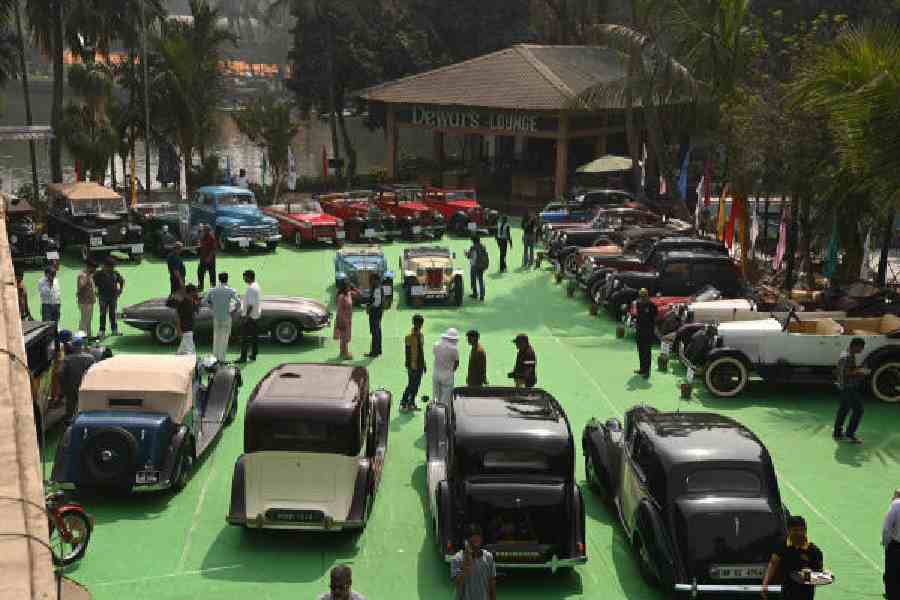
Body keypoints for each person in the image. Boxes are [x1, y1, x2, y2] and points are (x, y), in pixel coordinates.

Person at [762, 515, 824, 600]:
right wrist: (765, 584)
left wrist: (810, 574)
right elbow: (773, 563)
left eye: (802, 530)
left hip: (806, 594)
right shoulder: (782, 545)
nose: (799, 533)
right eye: (795, 530)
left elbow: (819, 574)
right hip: (786, 591)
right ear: (788, 530)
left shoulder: (814, 551)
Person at [834, 337, 867, 443]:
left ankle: (837, 433)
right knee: (859, 410)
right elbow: (847, 373)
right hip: (848, 387)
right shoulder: (848, 357)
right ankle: (850, 434)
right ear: (855, 346)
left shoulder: (845, 353)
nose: (862, 350)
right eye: (861, 348)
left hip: (842, 386)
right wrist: (860, 372)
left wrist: (857, 369)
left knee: (843, 409)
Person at [450, 524, 497, 600]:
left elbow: (492, 583)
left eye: (478, 536)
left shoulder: (488, 557)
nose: (476, 539)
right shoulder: (457, 558)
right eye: (473, 536)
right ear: (466, 540)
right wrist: (466, 561)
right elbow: (457, 582)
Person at [57, 332, 95, 423]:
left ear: (73, 347)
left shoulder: (67, 359)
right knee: (86, 405)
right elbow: (94, 372)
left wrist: (64, 386)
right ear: (81, 346)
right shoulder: (90, 358)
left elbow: (60, 373)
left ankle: (70, 421)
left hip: (71, 386)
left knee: (71, 405)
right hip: (86, 386)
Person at [205, 272, 241, 362]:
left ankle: (215, 358)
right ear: (227, 279)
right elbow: (239, 303)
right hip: (226, 316)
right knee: (224, 338)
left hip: (216, 316)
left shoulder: (213, 290)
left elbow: (205, 301)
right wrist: (233, 311)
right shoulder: (231, 290)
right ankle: (221, 359)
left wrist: (212, 308)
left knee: (216, 337)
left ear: (219, 279)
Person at [93, 257, 124, 338]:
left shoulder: (115, 273)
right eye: (111, 266)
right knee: (103, 314)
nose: (112, 268)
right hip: (102, 297)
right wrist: (95, 290)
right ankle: (102, 331)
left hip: (113, 297)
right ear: (105, 265)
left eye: (113, 266)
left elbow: (121, 281)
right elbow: (93, 283)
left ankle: (114, 330)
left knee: (113, 314)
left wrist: (120, 290)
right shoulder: (98, 274)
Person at [401, 314, 426, 412]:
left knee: (417, 385)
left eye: (420, 323)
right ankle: (403, 403)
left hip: (420, 365)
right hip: (412, 365)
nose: (419, 325)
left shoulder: (421, 336)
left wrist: (424, 363)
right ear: (413, 323)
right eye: (417, 323)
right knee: (411, 385)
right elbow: (407, 352)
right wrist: (409, 366)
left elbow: (421, 350)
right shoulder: (409, 337)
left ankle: (411, 403)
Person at [237, 270, 262, 363]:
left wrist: (246, 317)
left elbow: (250, 305)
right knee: (254, 337)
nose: (244, 279)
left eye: (245, 277)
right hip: (255, 315)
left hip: (250, 317)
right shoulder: (256, 286)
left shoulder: (251, 288)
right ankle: (253, 355)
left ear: (249, 277)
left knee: (244, 338)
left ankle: (243, 357)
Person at [634, 288, 658, 378]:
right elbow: (638, 316)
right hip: (640, 331)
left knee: (647, 352)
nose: (642, 298)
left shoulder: (652, 305)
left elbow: (655, 316)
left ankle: (647, 371)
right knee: (640, 350)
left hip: (648, 332)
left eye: (643, 296)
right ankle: (642, 369)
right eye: (641, 296)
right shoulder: (638, 304)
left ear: (647, 296)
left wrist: (651, 325)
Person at [432, 328, 460, 404]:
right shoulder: (454, 349)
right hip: (447, 374)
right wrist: (451, 371)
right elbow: (456, 363)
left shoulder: (436, 345)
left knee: (435, 395)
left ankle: (435, 410)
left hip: (436, 372)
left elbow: (435, 354)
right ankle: (444, 411)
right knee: (446, 398)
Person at [172, 284, 200, 355]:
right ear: (191, 292)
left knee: (183, 351)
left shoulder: (192, 301)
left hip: (190, 328)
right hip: (186, 329)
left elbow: (196, 312)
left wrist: (196, 303)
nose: (197, 293)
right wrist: (179, 330)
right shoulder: (183, 303)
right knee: (189, 351)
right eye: (195, 292)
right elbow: (178, 317)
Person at [882, 489, 900, 600]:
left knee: (892, 572)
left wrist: (886, 543)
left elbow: (887, 528)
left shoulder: (896, 506)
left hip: (896, 545)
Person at [76, 260, 97, 337]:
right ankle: (81, 337)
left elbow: (92, 287)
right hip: (84, 301)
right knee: (84, 320)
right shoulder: (82, 275)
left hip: (89, 301)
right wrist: (87, 277)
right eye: (94, 268)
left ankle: (88, 336)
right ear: (90, 267)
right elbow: (81, 286)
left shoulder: (90, 275)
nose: (95, 270)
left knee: (88, 320)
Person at [365, 274, 384, 358]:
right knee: (377, 331)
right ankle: (378, 350)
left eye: (372, 280)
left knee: (375, 332)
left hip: (375, 313)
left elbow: (377, 302)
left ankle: (374, 352)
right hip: (378, 312)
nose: (370, 282)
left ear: (376, 280)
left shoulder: (377, 289)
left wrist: (369, 307)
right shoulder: (378, 288)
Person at [465, 236, 488, 301]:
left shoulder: (473, 248)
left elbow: (469, 256)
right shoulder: (483, 247)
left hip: (474, 265)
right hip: (481, 265)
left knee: (473, 279)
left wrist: (466, 253)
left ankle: (475, 293)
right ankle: (482, 296)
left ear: (473, 241)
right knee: (481, 280)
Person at [197, 224, 217, 291]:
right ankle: (200, 286)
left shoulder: (211, 237)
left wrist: (209, 258)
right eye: (203, 230)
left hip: (210, 259)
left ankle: (213, 287)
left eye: (204, 230)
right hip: (203, 258)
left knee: (212, 273)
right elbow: (201, 246)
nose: (203, 231)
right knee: (200, 272)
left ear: (208, 230)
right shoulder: (202, 237)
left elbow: (213, 249)